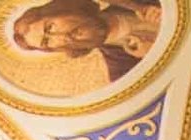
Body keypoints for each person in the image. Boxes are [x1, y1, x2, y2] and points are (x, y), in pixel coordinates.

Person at [10, 1, 162, 85]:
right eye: (47, 41)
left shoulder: (131, 2)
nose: (61, 36)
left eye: (50, 27)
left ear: (62, 10)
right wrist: (154, 57)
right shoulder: (121, 72)